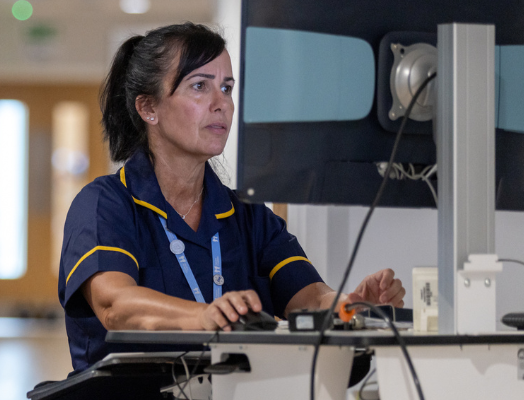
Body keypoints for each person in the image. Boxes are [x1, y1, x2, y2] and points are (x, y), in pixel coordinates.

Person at [57, 23, 406, 372]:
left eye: (226, 88)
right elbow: (115, 305)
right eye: (199, 86)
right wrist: (204, 315)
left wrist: (350, 305)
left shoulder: (249, 214)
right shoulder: (104, 203)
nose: (221, 103)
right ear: (149, 108)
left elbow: (310, 296)